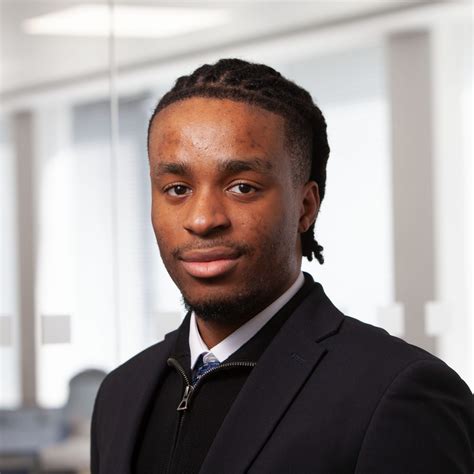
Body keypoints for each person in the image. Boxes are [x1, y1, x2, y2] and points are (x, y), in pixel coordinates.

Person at [91, 58, 473, 474]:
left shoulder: (396, 391)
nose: (202, 220)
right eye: (177, 189)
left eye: (242, 187)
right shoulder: (120, 394)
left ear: (305, 207)